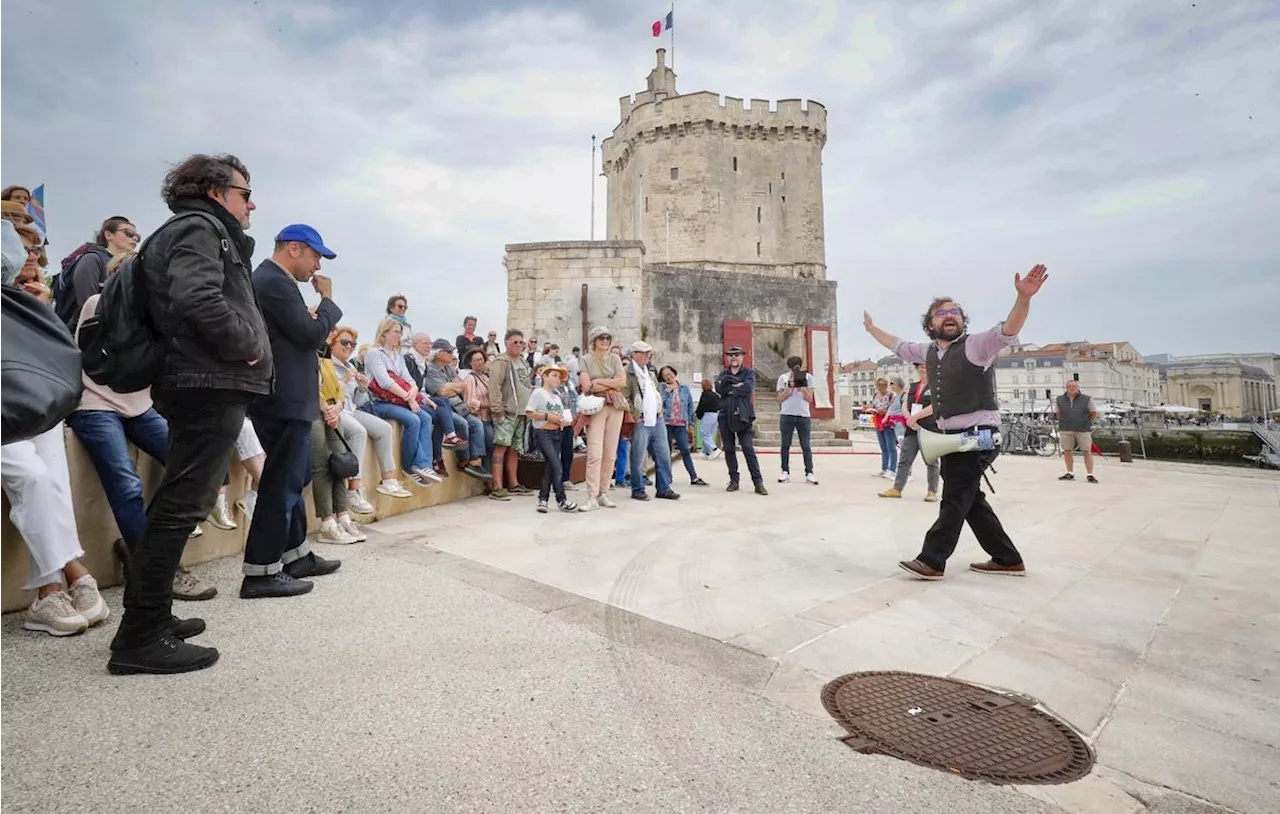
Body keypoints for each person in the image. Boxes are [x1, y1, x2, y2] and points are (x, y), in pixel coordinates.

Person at [108, 154, 272, 675]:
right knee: (182, 504)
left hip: (198, 380)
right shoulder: (200, 227)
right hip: (205, 381)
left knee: (176, 502)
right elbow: (196, 299)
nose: (251, 203)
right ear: (216, 191)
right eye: (246, 192)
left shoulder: (195, 229)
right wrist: (247, 343)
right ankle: (141, 635)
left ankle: (149, 615)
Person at [863, 263, 1049, 580]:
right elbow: (897, 345)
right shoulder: (929, 351)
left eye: (955, 311)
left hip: (978, 438)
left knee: (954, 498)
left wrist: (1024, 299)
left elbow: (1008, 329)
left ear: (962, 320)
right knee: (971, 500)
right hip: (951, 440)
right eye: (941, 313)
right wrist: (871, 330)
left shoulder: (977, 345)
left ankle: (932, 560)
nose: (949, 315)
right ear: (929, 325)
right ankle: (1007, 558)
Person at [67, 252, 220, 602]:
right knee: (126, 483)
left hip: (139, 407)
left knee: (195, 466)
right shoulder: (98, 303)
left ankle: (142, 545)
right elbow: (111, 363)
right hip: (96, 405)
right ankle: (156, 569)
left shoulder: (158, 314)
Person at [1, 221, 110, 637]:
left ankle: (49, 591)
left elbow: (56, 359)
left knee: (53, 477)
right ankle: (74, 569)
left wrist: (41, 311)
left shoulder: (27, 299)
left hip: (30, 400)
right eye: (22, 249)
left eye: (33, 249)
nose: (30, 256)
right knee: (30, 476)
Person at [241, 225, 344, 598]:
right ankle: (261, 571)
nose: (318, 265)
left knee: (292, 477)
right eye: (316, 255)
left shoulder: (274, 281)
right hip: (282, 399)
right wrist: (328, 303)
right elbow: (310, 335)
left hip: (289, 397)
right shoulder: (273, 281)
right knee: (280, 484)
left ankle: (295, 554)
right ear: (295, 249)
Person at [328, 327, 414, 504]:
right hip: (336, 410)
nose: (349, 347)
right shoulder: (327, 364)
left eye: (352, 344)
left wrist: (361, 387)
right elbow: (329, 394)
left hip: (352, 409)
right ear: (332, 343)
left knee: (384, 428)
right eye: (344, 343)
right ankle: (354, 488)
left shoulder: (350, 366)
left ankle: (388, 479)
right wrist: (344, 381)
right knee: (359, 432)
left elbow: (358, 401)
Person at [364, 318, 443, 487]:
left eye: (400, 332)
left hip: (399, 400)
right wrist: (410, 400)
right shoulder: (374, 353)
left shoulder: (398, 356)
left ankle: (424, 465)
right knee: (413, 419)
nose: (399, 336)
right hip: (377, 402)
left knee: (426, 418)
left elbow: (410, 380)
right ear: (384, 333)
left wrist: (412, 394)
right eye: (395, 332)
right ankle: (410, 466)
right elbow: (385, 382)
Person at [310, 353, 365, 545]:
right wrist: (326, 408)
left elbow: (336, 386)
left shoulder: (324, 354)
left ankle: (343, 517)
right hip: (312, 409)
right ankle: (327, 523)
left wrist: (338, 406)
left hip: (333, 409)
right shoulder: (304, 350)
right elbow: (307, 383)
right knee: (321, 467)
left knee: (340, 465)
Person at [421, 338, 490, 480]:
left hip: (457, 405)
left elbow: (462, 385)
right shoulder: (431, 368)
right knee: (463, 424)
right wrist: (451, 387)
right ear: (439, 353)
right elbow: (441, 392)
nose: (452, 354)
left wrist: (450, 387)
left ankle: (475, 462)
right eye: (448, 351)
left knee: (476, 424)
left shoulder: (448, 368)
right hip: (442, 407)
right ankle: (463, 461)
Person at [56, 216, 139, 329]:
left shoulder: (130, 265)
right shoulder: (92, 259)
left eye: (137, 237)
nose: (134, 238)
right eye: (128, 233)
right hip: (89, 335)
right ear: (108, 235)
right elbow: (87, 303)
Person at [576, 326, 626, 511]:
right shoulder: (586, 359)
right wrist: (609, 383)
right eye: (601, 338)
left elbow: (622, 382)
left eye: (607, 337)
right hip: (596, 407)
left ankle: (603, 492)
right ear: (594, 340)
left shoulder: (615, 358)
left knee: (610, 453)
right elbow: (587, 386)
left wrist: (599, 382)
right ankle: (592, 495)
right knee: (595, 453)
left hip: (615, 407)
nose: (605, 340)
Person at [625, 342, 679, 501]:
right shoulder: (627, 373)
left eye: (648, 353)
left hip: (657, 417)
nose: (647, 356)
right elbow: (625, 396)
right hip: (641, 418)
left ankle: (663, 487)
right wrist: (635, 414)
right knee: (638, 456)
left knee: (663, 453)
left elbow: (654, 391)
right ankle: (637, 488)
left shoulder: (650, 371)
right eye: (644, 353)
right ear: (634, 354)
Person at [879, 363, 940, 501]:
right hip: (912, 428)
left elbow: (935, 406)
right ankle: (897, 489)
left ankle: (932, 491)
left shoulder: (937, 386)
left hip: (929, 428)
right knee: (905, 459)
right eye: (919, 366)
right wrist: (908, 418)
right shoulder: (912, 387)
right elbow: (905, 405)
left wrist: (915, 417)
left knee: (931, 460)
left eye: (925, 366)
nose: (922, 368)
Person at [486, 329, 534, 500]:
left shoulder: (522, 361)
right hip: (507, 412)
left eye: (521, 342)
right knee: (501, 447)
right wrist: (497, 410)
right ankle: (497, 486)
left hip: (521, 412)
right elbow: (494, 387)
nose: (519, 345)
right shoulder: (501, 362)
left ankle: (513, 483)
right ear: (506, 343)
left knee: (515, 449)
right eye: (515, 342)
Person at [525, 365, 579, 513]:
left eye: (559, 376)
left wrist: (562, 421)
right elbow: (529, 413)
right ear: (544, 376)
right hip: (543, 433)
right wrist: (548, 417)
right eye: (554, 375)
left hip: (557, 434)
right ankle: (561, 499)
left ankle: (543, 499)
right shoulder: (538, 393)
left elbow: (560, 416)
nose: (557, 379)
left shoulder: (556, 397)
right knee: (557, 465)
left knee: (550, 467)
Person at [716, 346, 767, 495]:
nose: (733, 358)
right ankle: (734, 480)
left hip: (744, 416)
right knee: (729, 449)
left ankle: (758, 482)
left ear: (742, 357)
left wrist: (731, 388)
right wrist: (735, 385)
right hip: (725, 415)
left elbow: (748, 388)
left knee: (748, 448)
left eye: (737, 355)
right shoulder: (723, 374)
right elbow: (719, 389)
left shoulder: (749, 373)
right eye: (731, 355)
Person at [660, 366, 708, 487]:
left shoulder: (684, 388)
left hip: (681, 424)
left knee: (685, 450)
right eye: (665, 375)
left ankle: (694, 476)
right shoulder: (662, 388)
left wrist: (691, 423)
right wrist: (667, 391)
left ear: (674, 373)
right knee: (666, 452)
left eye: (670, 373)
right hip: (666, 424)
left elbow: (690, 406)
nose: (669, 377)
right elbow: (659, 402)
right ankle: (667, 478)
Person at [776, 356, 818, 485]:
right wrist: (789, 389)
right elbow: (780, 398)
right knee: (785, 445)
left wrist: (802, 388)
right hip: (787, 414)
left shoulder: (808, 377)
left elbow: (810, 399)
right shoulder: (783, 378)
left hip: (803, 415)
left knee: (805, 445)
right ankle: (785, 471)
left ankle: (809, 472)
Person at [1055, 381, 1098, 483]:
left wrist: (1086, 422)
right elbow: (1057, 413)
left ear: (1078, 387)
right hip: (1066, 428)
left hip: (1083, 429)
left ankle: (1090, 474)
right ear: (1066, 387)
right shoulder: (1059, 399)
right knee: (1067, 450)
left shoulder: (1087, 399)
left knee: (1087, 451)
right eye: (1069, 386)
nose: (1071, 388)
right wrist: (1064, 421)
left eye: (1073, 386)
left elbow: (1093, 413)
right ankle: (1070, 472)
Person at [462, 348, 496, 468]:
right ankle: (487, 478)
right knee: (489, 448)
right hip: (480, 419)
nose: (479, 362)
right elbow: (470, 402)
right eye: (476, 360)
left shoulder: (485, 377)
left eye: (481, 359)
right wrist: (489, 405)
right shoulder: (470, 379)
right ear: (470, 363)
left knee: (491, 450)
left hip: (489, 418)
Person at [871, 378, 896, 478]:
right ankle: (884, 468)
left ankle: (892, 469)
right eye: (878, 385)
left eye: (882, 385)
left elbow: (893, 410)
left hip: (888, 422)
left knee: (891, 447)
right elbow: (874, 406)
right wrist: (873, 410)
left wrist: (884, 412)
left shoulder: (891, 395)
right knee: (883, 447)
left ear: (886, 386)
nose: (880, 387)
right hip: (878, 421)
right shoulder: (875, 395)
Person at [695, 378, 721, 458]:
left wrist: (698, 414)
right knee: (709, 434)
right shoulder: (716, 395)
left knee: (704, 433)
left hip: (707, 415)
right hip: (716, 415)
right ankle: (707, 452)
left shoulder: (705, 395)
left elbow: (701, 406)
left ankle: (714, 449)